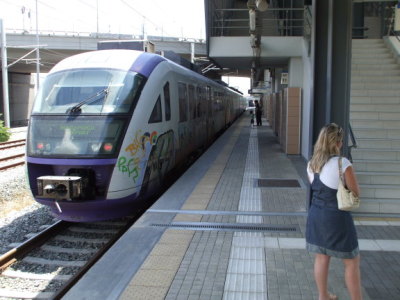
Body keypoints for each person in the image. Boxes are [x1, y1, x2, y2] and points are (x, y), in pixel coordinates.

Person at [306, 123, 362, 300]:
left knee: (321, 258)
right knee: (351, 262)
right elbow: (355, 192)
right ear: (336, 142)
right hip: (337, 219)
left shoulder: (311, 165)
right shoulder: (342, 163)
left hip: (316, 217)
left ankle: (323, 296)